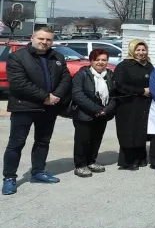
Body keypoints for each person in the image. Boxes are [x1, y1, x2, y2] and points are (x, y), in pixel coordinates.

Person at [2, 27, 71, 195]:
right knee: (16, 143)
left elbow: (66, 78)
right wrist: (45, 96)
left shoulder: (57, 57)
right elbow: (19, 83)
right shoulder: (17, 57)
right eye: (41, 38)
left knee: (43, 141)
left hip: (48, 108)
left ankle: (38, 171)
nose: (44, 42)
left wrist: (56, 96)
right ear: (32, 37)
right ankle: (9, 178)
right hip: (24, 106)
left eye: (48, 40)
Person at [71, 48, 117, 178]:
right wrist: (96, 109)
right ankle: (80, 165)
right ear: (91, 60)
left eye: (104, 60)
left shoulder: (110, 74)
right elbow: (77, 95)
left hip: (103, 114)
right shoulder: (82, 74)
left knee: (96, 139)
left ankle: (91, 161)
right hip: (84, 113)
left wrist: (106, 110)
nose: (101, 62)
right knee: (82, 140)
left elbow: (114, 95)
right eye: (97, 60)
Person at [113, 39, 154, 170]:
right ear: (132, 50)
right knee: (128, 132)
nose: (141, 53)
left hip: (144, 104)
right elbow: (119, 85)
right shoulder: (124, 66)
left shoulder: (149, 65)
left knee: (141, 131)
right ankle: (128, 161)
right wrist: (141, 91)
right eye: (138, 50)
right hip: (127, 104)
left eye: (143, 50)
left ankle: (141, 158)